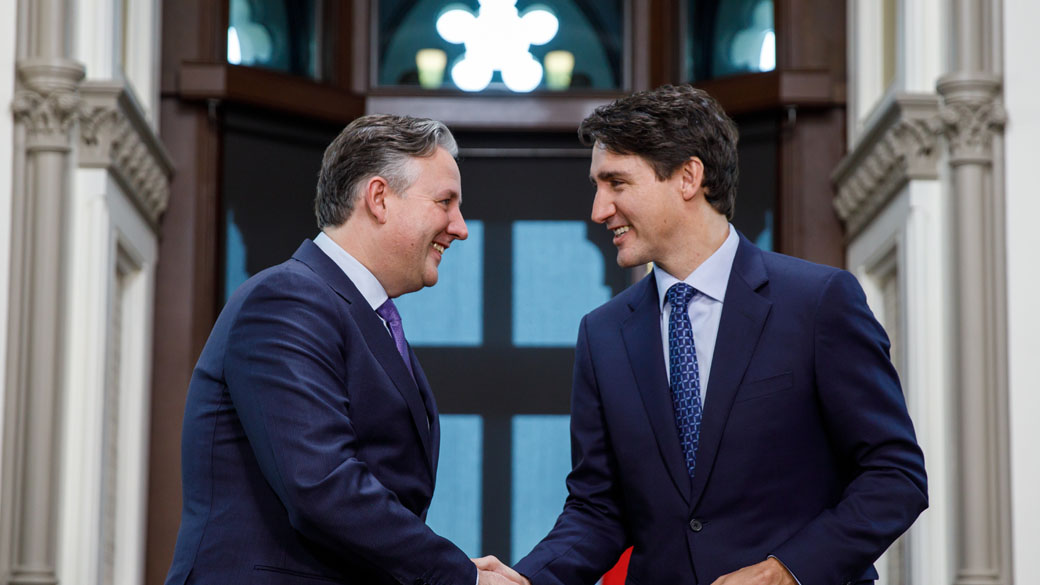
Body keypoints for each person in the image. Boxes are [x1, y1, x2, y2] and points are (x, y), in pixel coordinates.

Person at [476, 85, 928, 585]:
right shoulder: (602, 335)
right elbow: (598, 509)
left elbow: (895, 476)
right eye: (598, 187)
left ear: (688, 177)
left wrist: (786, 571)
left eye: (617, 183)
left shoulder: (819, 302)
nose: (599, 210)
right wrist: (528, 580)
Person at [164, 114, 510, 585]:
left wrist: (455, 569)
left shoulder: (354, 311)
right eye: (445, 202)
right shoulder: (288, 299)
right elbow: (322, 485)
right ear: (379, 198)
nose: (461, 227)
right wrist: (457, 577)